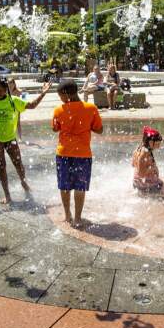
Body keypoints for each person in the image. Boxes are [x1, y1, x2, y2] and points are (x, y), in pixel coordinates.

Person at [52, 80, 103, 228]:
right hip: (83, 155)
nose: (60, 99)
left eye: (60, 95)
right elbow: (99, 129)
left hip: (63, 154)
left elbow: (55, 129)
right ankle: (78, 218)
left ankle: (67, 215)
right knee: (80, 187)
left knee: (64, 186)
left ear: (65, 94)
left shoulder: (58, 110)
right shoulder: (91, 108)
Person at [132, 126, 164, 193]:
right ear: (150, 142)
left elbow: (133, 164)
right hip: (146, 186)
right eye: (157, 143)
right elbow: (141, 174)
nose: (159, 146)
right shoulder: (145, 153)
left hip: (137, 183)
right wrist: (152, 168)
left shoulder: (138, 149)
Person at [7, 78, 27, 142]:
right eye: (9, 84)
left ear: (14, 84)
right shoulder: (6, 91)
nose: (10, 85)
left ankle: (20, 138)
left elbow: (24, 97)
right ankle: (10, 137)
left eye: (11, 84)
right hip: (8, 109)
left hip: (16, 108)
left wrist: (24, 95)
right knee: (9, 123)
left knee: (18, 123)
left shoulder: (18, 91)